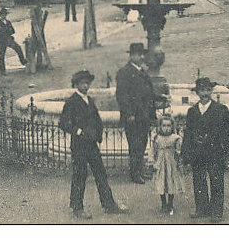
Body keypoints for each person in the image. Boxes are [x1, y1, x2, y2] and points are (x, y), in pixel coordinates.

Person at [59, 70, 128, 219]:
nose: (86, 85)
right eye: (82, 83)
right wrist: (77, 131)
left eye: (87, 83)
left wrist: (98, 135)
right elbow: (63, 123)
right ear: (76, 84)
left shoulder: (89, 100)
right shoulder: (72, 101)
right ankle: (77, 208)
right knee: (79, 175)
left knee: (101, 174)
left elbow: (97, 119)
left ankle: (109, 205)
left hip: (91, 145)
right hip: (79, 145)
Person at [181, 77, 229, 222]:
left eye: (207, 90)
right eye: (202, 90)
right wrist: (186, 152)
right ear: (197, 92)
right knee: (198, 180)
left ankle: (217, 212)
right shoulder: (192, 111)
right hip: (197, 152)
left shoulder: (220, 109)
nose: (205, 93)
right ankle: (202, 209)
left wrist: (221, 142)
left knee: (216, 180)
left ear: (211, 91)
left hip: (214, 151)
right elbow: (188, 132)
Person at [115, 42, 156, 183]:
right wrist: (129, 114)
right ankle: (134, 173)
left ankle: (139, 170)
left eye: (142, 54)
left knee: (142, 143)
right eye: (138, 54)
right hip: (133, 116)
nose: (141, 57)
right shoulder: (124, 72)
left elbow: (149, 93)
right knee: (135, 144)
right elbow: (122, 96)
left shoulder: (142, 72)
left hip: (144, 115)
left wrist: (158, 101)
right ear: (131, 56)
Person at [151, 114, 184, 216]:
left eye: (168, 126)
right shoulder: (157, 138)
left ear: (172, 127)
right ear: (160, 127)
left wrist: (179, 162)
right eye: (164, 126)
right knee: (161, 182)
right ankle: (163, 203)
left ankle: (170, 203)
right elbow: (153, 151)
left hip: (171, 163)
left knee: (171, 182)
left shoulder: (175, 138)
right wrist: (152, 162)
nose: (166, 128)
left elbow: (179, 152)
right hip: (160, 163)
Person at [0, 8, 25, 75]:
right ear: (0, 15)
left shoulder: (8, 22)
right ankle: (2, 71)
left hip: (9, 39)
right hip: (2, 41)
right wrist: (8, 30)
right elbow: (1, 32)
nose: (4, 16)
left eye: (5, 14)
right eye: (2, 14)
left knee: (18, 48)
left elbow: (13, 31)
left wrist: (7, 30)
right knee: (2, 56)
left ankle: (23, 61)